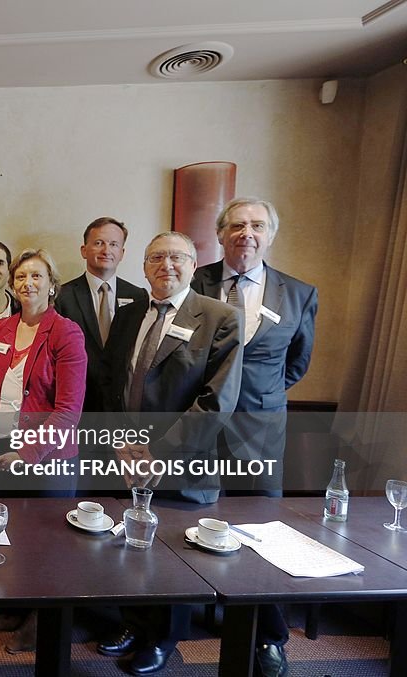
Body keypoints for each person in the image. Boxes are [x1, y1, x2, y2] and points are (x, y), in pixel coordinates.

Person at [98, 231, 242, 676]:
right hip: (125, 457)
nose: (166, 265)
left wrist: (156, 451)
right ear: (143, 268)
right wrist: (120, 444)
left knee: (173, 553)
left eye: (176, 257)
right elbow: (111, 384)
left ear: (194, 264)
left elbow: (216, 402)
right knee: (129, 543)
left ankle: (162, 638)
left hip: (181, 460)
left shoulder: (220, 317)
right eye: (156, 257)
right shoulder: (129, 315)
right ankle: (131, 622)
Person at [191, 197, 317, 677]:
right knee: (182, 517)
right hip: (197, 424)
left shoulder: (299, 293)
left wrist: (254, 399)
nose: (246, 233)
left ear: (270, 235)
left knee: (264, 533)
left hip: (260, 432)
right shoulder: (192, 281)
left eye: (257, 225)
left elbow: (296, 365)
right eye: (237, 225)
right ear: (221, 235)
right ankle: (170, 626)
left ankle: (269, 637)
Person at [0, 248, 87, 653]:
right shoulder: (1, 329)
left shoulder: (66, 332)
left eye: (37, 276)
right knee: (13, 536)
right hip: (5, 447)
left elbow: (68, 410)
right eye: (21, 276)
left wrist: (29, 453)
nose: (28, 283)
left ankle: (41, 624)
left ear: (51, 284)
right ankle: (19, 607)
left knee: (47, 544)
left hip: (48, 456)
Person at [55, 217, 148, 413]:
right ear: (84, 250)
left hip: (122, 404)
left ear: (122, 253)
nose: (106, 250)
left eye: (114, 244)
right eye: (99, 243)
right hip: (77, 402)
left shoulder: (139, 296)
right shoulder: (62, 296)